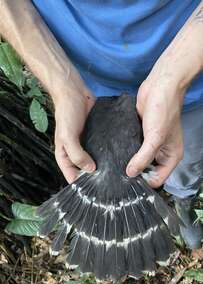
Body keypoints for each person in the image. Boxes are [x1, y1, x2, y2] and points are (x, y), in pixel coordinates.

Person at [0, 0, 202, 253]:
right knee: (105, 172)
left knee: (185, 163)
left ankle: (183, 202)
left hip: (191, 76)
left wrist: (174, 79)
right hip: (86, 88)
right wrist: (62, 85)